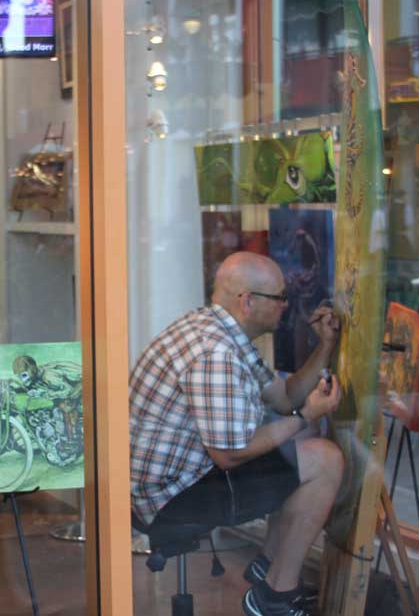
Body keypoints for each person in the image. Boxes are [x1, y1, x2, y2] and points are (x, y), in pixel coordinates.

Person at [129, 251, 344, 616]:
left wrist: (324, 346)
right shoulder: (216, 353)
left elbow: (285, 397)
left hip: (170, 480)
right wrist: (307, 414)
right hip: (168, 499)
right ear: (248, 301)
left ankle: (269, 565)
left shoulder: (217, 329)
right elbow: (229, 454)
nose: (286, 306)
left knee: (303, 438)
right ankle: (274, 596)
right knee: (326, 460)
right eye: (279, 298)